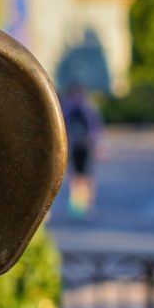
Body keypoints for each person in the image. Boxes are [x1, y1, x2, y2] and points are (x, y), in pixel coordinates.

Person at [61, 83, 103, 218]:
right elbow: (94, 129)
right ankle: (82, 204)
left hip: (79, 145)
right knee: (82, 176)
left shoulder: (70, 106)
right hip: (82, 145)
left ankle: (80, 204)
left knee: (80, 176)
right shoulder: (86, 106)